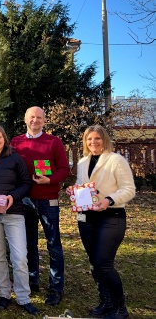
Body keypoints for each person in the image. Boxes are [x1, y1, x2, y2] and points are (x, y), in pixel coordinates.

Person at [74, 125, 135, 319]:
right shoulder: (83, 162)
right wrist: (74, 191)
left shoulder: (116, 160)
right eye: (89, 139)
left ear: (104, 140)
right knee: (94, 263)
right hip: (87, 218)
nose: (93, 142)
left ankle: (120, 308)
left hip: (111, 217)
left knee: (104, 263)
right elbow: (81, 185)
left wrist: (108, 200)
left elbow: (129, 189)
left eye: (97, 139)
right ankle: (106, 302)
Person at [10, 106, 70, 306]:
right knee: (28, 244)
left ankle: (56, 287)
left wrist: (50, 180)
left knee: (53, 245)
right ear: (25, 119)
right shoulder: (16, 142)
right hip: (24, 200)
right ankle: (32, 280)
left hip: (48, 200)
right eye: (31, 117)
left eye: (39, 117)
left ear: (44, 120)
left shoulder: (54, 141)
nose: (35, 120)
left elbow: (64, 169)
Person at [0, 126, 39, 315]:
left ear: (5, 139)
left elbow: (26, 183)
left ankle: (23, 297)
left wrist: (12, 197)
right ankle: (3, 294)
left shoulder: (15, 158)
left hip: (14, 214)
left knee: (19, 257)